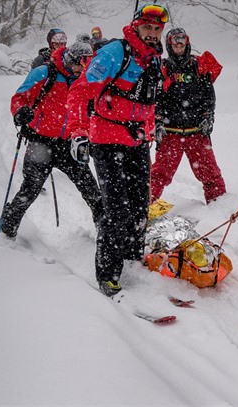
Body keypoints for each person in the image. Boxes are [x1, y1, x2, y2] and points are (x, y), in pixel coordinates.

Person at [66, 3, 169, 297]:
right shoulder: (114, 54)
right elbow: (80, 92)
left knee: (140, 206)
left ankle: (132, 259)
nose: (151, 34)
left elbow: (148, 101)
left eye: (156, 29)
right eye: (147, 28)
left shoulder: (154, 60)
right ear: (136, 26)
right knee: (118, 210)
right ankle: (108, 273)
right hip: (107, 141)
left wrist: (153, 127)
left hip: (137, 144)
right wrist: (78, 132)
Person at [2, 41, 104, 239]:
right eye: (79, 65)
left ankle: (105, 231)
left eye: (86, 66)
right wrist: (20, 111)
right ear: (69, 59)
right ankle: (8, 226)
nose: (81, 70)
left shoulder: (85, 78)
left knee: (91, 189)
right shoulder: (44, 73)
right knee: (31, 188)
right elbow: (19, 98)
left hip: (69, 143)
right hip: (41, 142)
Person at [150, 28, 226, 205]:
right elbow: (155, 99)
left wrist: (209, 116)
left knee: (210, 173)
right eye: (175, 40)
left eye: (182, 39)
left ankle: (219, 207)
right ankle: (145, 207)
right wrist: (157, 122)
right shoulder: (162, 67)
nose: (179, 43)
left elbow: (209, 95)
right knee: (159, 174)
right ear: (169, 44)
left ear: (187, 42)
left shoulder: (198, 65)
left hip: (196, 132)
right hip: (170, 132)